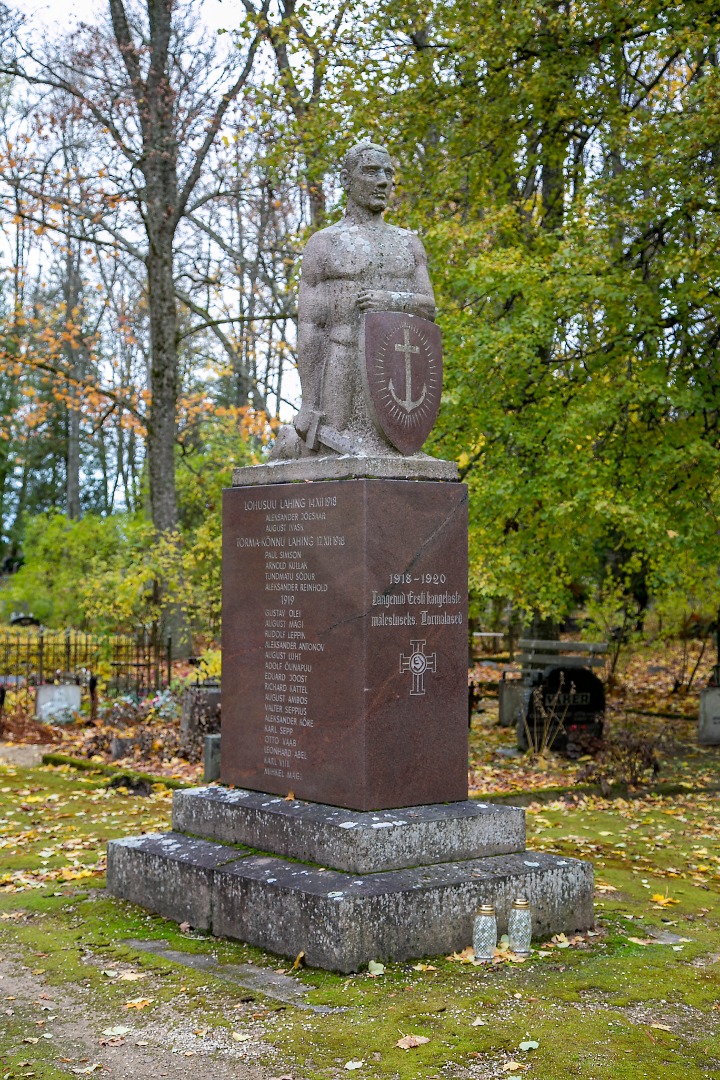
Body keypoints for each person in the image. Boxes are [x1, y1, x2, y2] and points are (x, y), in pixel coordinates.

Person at [272, 140, 436, 459]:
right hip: (342, 363)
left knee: (393, 456)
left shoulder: (408, 243)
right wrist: (308, 403)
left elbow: (428, 306)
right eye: (371, 171)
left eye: (388, 173)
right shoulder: (325, 244)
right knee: (329, 451)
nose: (383, 181)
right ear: (347, 180)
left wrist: (390, 299)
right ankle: (289, 445)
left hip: (395, 371)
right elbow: (310, 326)